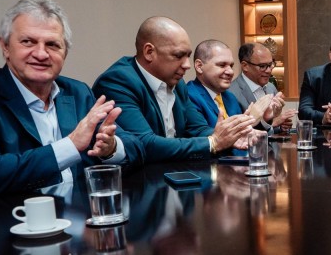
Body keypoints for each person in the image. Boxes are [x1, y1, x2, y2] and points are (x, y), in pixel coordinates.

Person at [0, 0, 141, 211]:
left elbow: (135, 146)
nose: (41, 54)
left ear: (65, 53)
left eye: (52, 45)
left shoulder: (77, 92)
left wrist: (110, 148)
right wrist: (70, 146)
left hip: (74, 219)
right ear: (5, 47)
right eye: (28, 42)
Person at [92, 17, 257, 161]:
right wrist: (213, 142)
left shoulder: (178, 84)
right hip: (140, 181)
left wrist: (231, 135)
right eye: (178, 56)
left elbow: (197, 128)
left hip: (176, 175)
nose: (187, 65)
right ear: (149, 52)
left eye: (188, 56)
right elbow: (144, 143)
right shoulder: (118, 82)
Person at [227, 42, 294, 133]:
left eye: (271, 64)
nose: (269, 70)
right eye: (262, 66)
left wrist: (282, 126)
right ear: (245, 66)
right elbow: (236, 133)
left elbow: (275, 123)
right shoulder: (231, 93)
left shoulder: (271, 87)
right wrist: (272, 124)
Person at [186, 39, 245, 127]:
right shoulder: (189, 96)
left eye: (231, 66)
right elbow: (202, 133)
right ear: (199, 66)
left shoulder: (230, 97)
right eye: (222, 65)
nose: (231, 72)